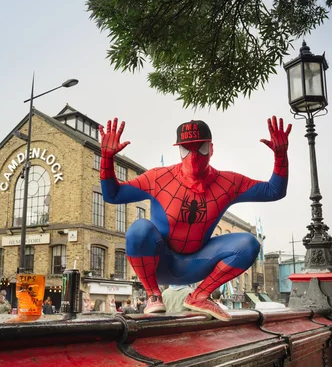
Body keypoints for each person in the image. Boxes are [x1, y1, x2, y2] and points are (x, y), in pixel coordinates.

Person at [99, 117, 290, 320]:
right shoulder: (158, 178)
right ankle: (153, 295)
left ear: (211, 148)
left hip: (199, 263)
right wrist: (106, 159)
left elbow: (274, 191)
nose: (193, 156)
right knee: (139, 229)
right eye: (186, 149)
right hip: (159, 264)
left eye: (201, 148)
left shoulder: (227, 182)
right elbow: (113, 195)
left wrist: (280, 156)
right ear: (179, 151)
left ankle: (200, 295)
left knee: (249, 243)